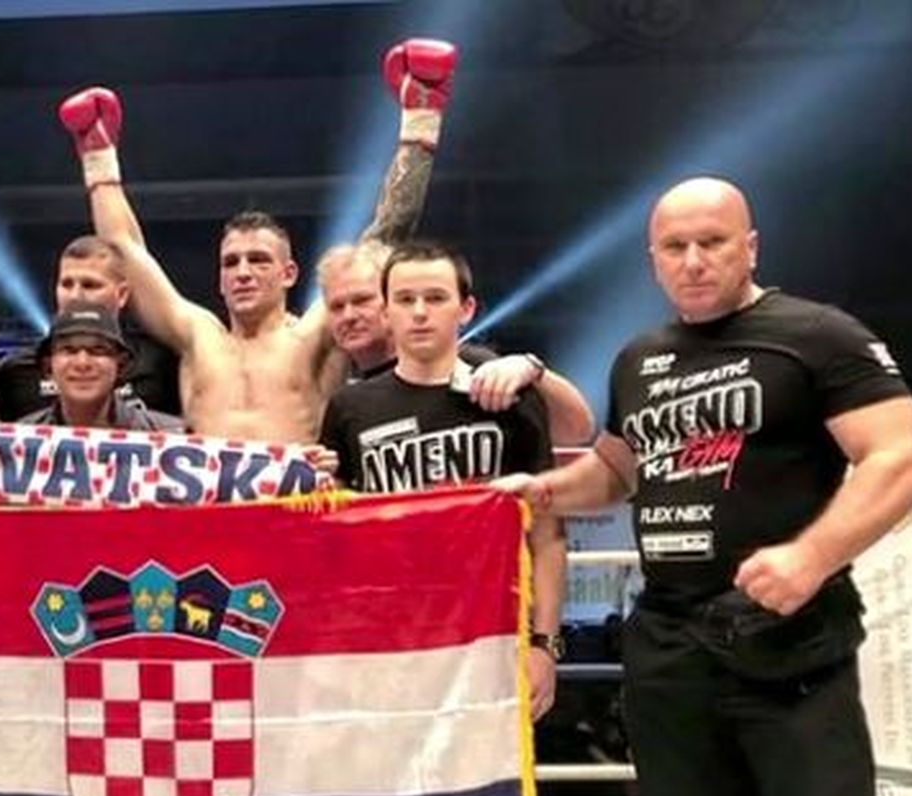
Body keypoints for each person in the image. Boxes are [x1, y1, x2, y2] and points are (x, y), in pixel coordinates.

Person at [494, 177, 912, 796]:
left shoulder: (818, 334)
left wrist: (811, 557)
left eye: (713, 242)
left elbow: (900, 461)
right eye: (676, 247)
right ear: (654, 259)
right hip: (670, 645)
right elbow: (617, 470)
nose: (694, 261)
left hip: (788, 642)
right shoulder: (640, 359)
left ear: (750, 247)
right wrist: (545, 491)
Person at [58, 39, 457, 442]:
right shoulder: (198, 335)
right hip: (209, 485)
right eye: (231, 262)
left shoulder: (311, 335)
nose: (243, 272)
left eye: (259, 260)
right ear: (219, 280)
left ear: (289, 273)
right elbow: (124, 252)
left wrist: (420, 119)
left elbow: (385, 234)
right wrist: (97, 156)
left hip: (301, 482)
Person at [319, 240, 566, 719]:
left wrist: (545, 644)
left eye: (434, 298)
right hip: (391, 642)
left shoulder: (506, 396)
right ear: (386, 312)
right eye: (405, 299)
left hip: (495, 633)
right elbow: (339, 539)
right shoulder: (350, 409)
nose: (419, 313)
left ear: (465, 308)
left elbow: (549, 533)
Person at [318, 241, 597, 444]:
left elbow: (577, 430)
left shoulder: (472, 367)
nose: (349, 316)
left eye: (362, 300)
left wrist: (533, 369)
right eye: (336, 306)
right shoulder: (344, 395)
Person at [0, 235, 181, 419]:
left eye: (90, 285)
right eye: (67, 284)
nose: (75, 296)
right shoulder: (18, 371)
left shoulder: (161, 363)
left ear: (122, 294)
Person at [19, 301, 184, 431]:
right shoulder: (19, 437)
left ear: (121, 365)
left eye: (98, 350)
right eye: (69, 350)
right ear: (48, 367)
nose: (82, 363)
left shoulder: (170, 436)